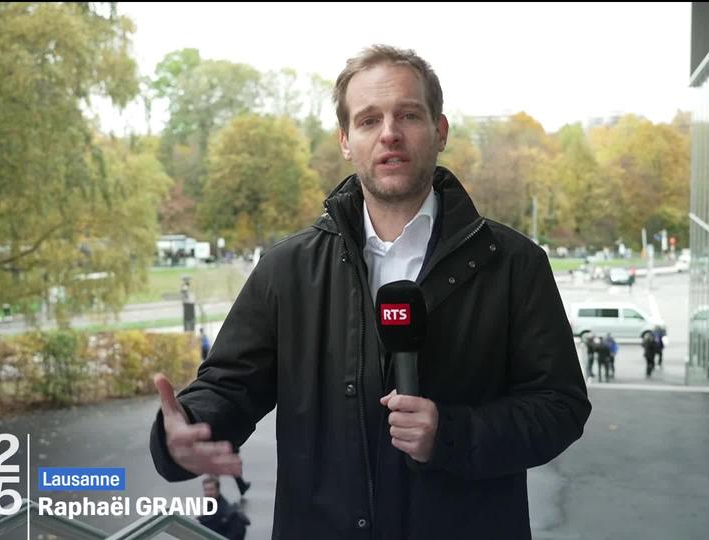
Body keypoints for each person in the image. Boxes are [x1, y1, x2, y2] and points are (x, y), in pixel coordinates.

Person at [149, 45, 591, 539]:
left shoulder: (513, 264)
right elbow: (230, 385)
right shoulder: (287, 269)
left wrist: (452, 433)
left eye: (408, 115)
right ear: (345, 140)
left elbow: (560, 406)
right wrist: (186, 429)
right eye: (368, 120)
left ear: (439, 130)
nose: (389, 134)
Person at [199, 475, 249, 540]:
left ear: (218, 490)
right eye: (206, 490)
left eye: (211, 489)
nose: (208, 493)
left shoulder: (221, 508)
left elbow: (208, 524)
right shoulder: (213, 503)